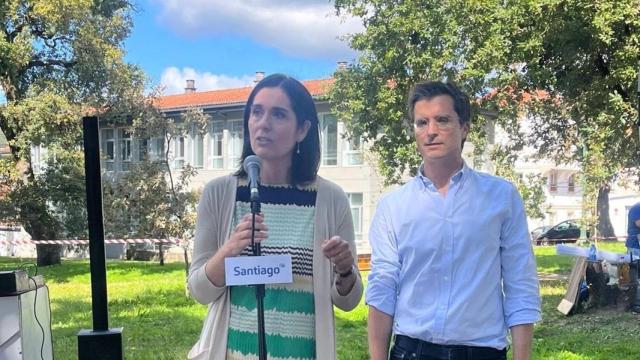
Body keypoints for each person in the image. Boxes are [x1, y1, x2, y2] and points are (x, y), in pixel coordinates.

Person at [187, 73, 363, 360]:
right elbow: (200, 291)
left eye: (278, 114)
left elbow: (348, 301)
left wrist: (345, 270)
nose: (263, 123)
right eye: (256, 112)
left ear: (302, 129)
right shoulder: (220, 194)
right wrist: (230, 250)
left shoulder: (330, 199)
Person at [366, 81, 541, 360]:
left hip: (482, 352)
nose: (431, 131)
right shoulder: (393, 207)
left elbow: (520, 282)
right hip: (412, 351)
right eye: (421, 122)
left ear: (465, 129)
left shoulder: (501, 197)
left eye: (442, 120)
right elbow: (383, 288)